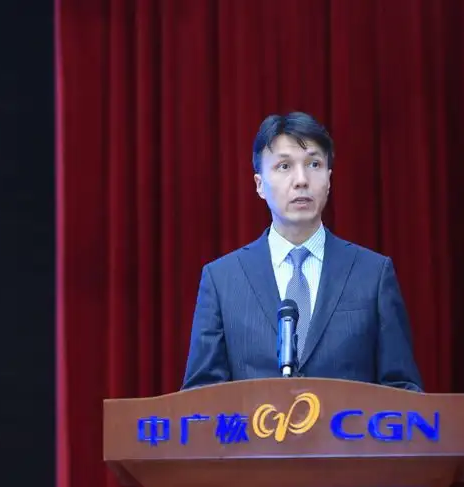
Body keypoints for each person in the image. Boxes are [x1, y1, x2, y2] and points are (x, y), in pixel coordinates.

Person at [181, 111, 423, 392]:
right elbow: (201, 398)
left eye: (313, 164)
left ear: (329, 180)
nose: (301, 180)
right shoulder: (222, 279)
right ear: (259, 185)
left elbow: (402, 390)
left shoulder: (373, 274)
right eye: (284, 166)